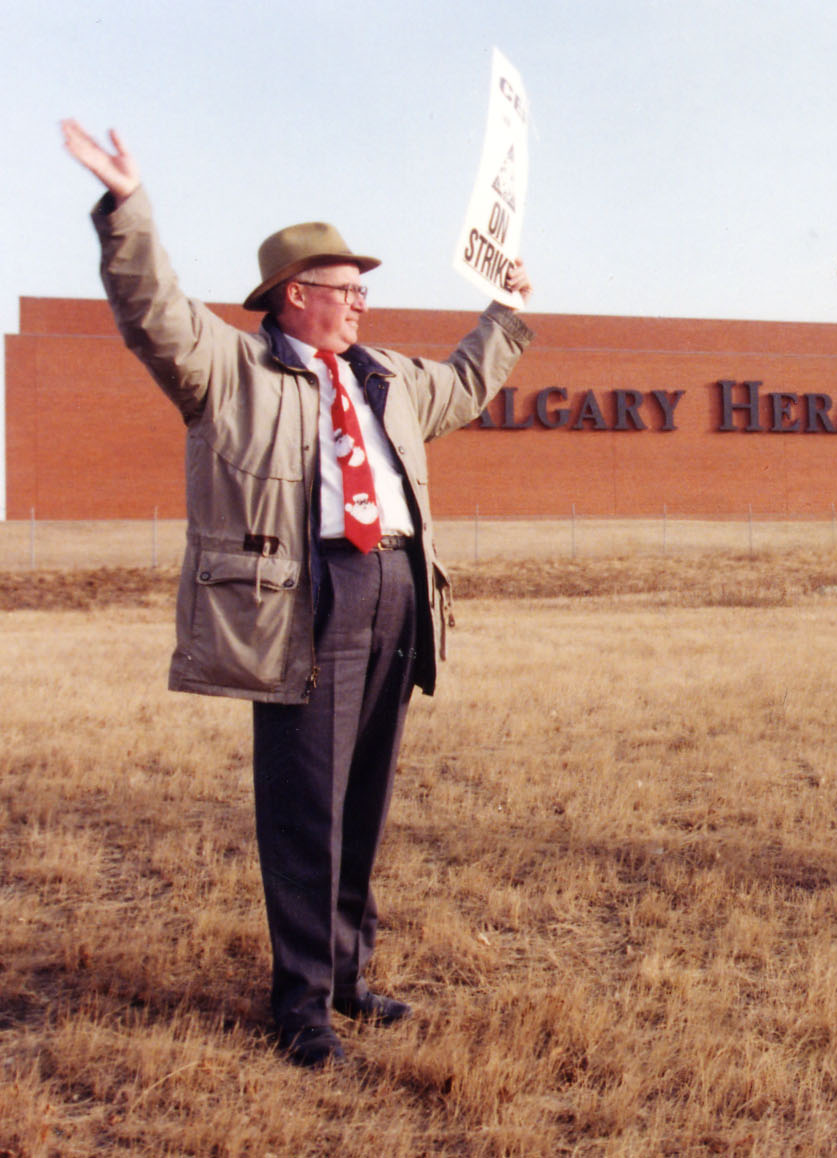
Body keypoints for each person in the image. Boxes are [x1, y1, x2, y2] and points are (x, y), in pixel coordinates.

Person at [63, 120, 535, 1067]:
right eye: (346, 289)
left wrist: (507, 314)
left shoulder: (388, 376)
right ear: (294, 297)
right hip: (306, 598)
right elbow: (152, 306)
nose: (362, 302)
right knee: (304, 806)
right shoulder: (228, 367)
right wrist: (127, 208)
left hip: (398, 586)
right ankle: (302, 1005)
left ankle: (351, 978)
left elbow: (466, 385)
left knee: (363, 797)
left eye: (363, 290)